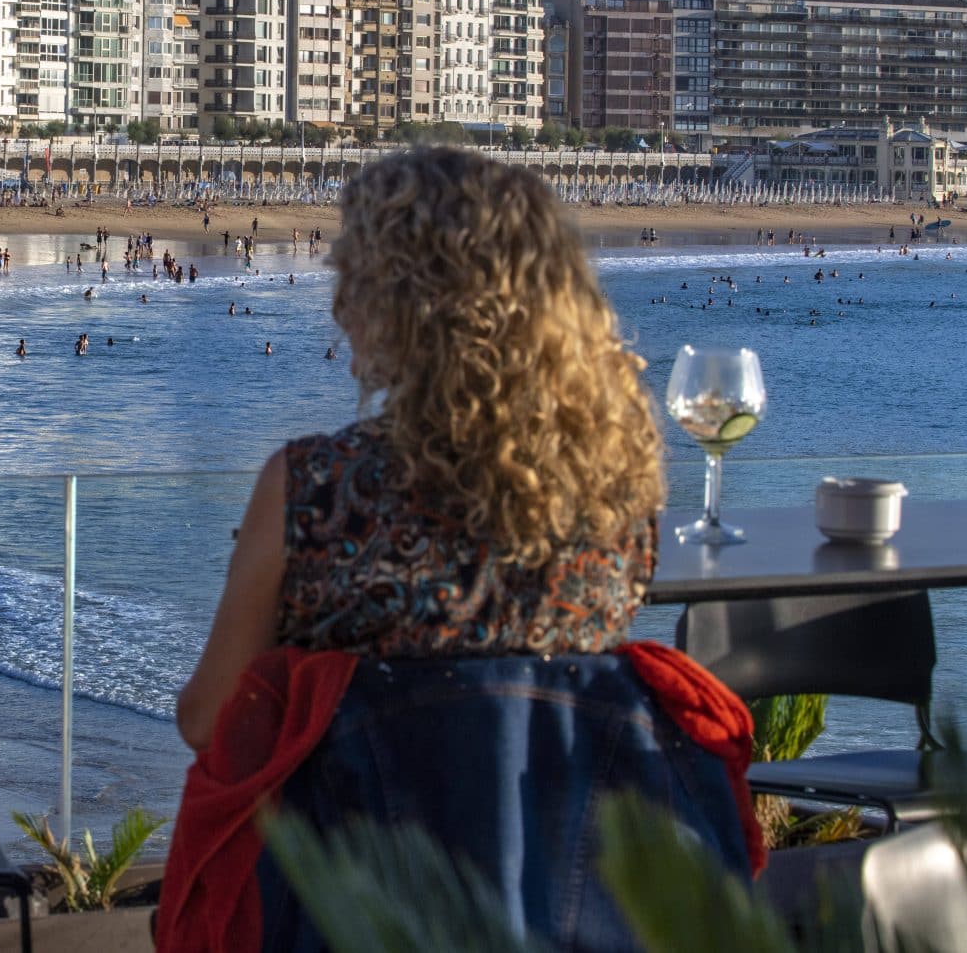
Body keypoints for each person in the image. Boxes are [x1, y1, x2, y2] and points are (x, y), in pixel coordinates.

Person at [159, 149, 757, 952]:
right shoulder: (619, 489)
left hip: (349, 911)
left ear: (407, 305)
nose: (339, 308)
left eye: (357, 282)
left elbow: (208, 719)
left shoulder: (311, 484)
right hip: (572, 904)